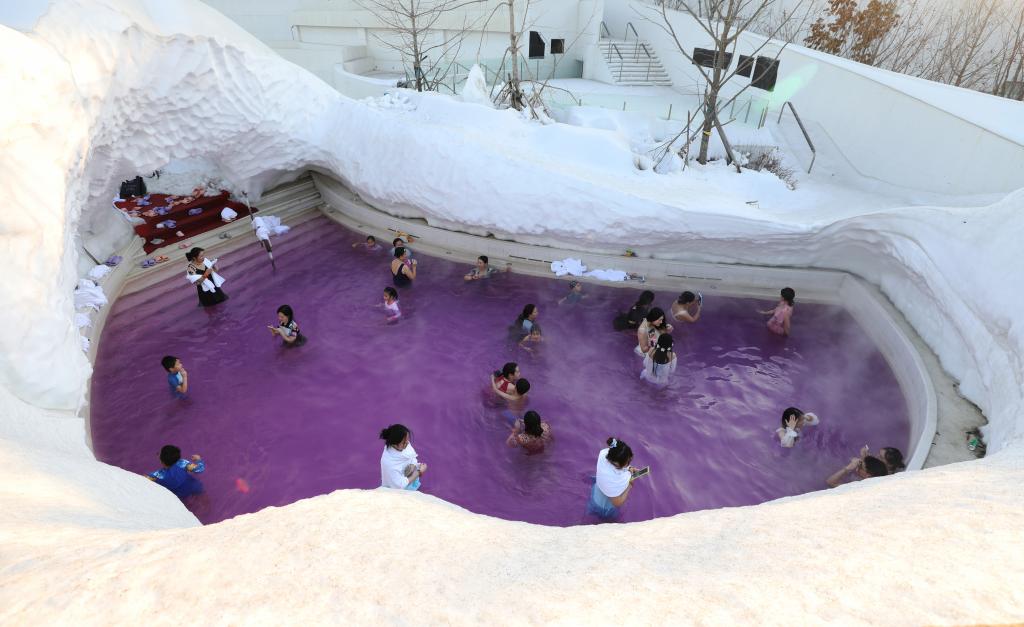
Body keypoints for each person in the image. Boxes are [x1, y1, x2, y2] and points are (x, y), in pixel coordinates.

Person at [588, 437, 642, 519]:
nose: (629, 463)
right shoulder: (615, 480)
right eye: (627, 463)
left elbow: (617, 464)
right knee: (612, 522)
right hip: (605, 508)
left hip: (596, 492)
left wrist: (629, 468)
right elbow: (617, 503)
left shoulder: (604, 453)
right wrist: (629, 486)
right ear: (618, 465)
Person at [379, 424, 427, 491]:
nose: (407, 443)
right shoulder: (389, 463)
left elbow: (412, 457)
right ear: (394, 443)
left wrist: (413, 465)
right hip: (398, 491)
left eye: (407, 439)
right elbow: (399, 485)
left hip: (411, 480)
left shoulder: (404, 445)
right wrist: (419, 472)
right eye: (404, 442)